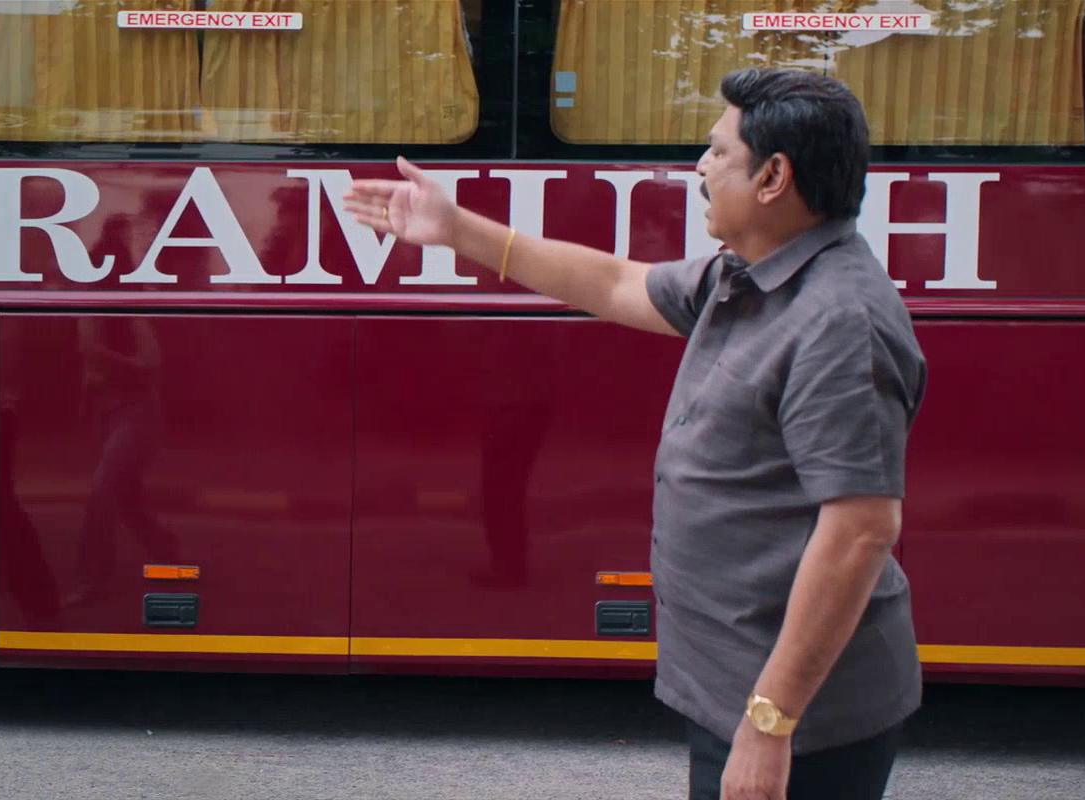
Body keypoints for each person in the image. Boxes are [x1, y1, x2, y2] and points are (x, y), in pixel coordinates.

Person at [345, 67, 926, 800]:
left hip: (802, 718)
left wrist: (769, 725)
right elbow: (617, 283)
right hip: (738, 685)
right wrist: (458, 230)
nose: (701, 167)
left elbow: (860, 532)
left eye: (719, 151)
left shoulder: (839, 321)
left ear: (774, 177)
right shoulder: (750, 276)